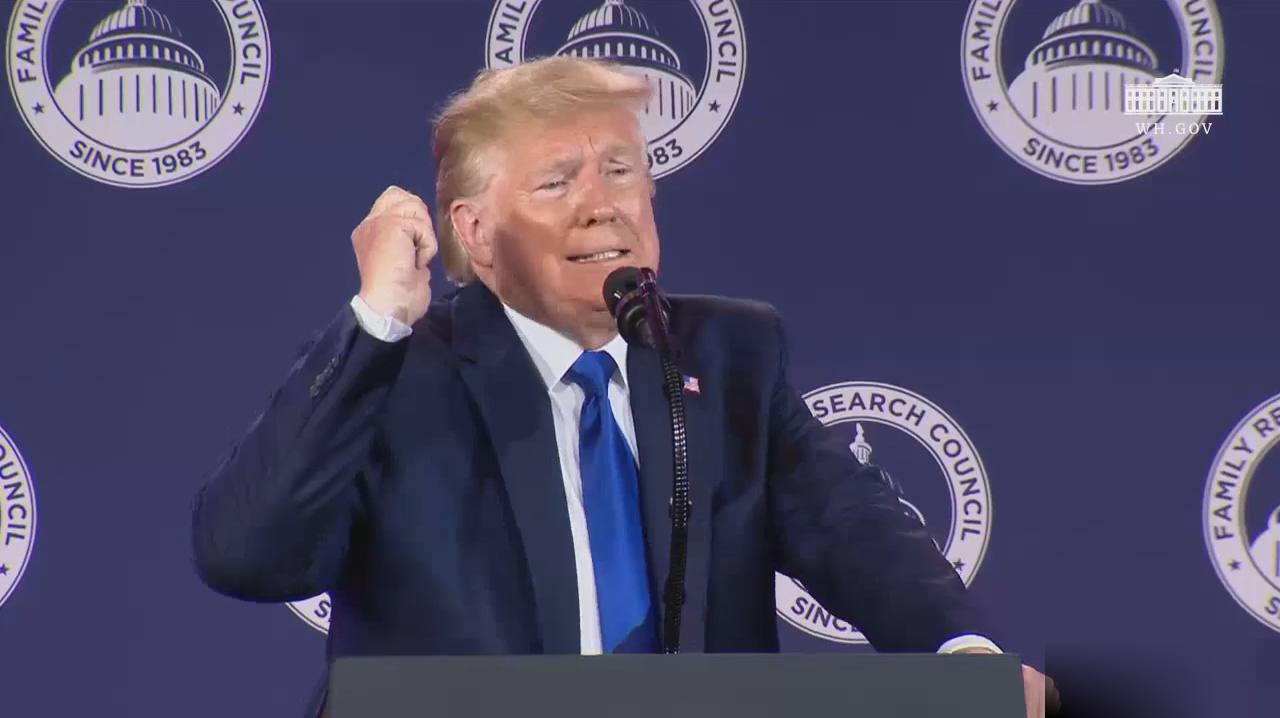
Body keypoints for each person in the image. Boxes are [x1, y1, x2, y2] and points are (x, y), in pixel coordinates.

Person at [190, 56, 1051, 716]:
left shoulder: (731, 356)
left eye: (622, 170)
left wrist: (963, 656)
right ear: (476, 234)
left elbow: (852, 527)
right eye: (557, 182)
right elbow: (246, 554)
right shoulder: (396, 373)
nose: (603, 204)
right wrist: (377, 319)